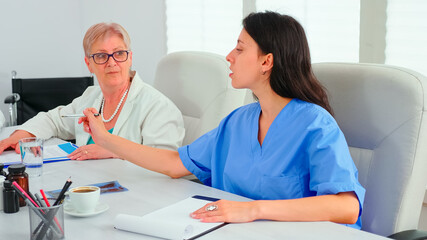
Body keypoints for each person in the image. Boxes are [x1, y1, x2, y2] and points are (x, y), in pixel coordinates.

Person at [80, 12, 365, 228]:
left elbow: (346, 207)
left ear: (267, 62)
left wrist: (254, 210)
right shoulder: (238, 122)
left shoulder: (314, 125)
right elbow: (173, 164)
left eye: (240, 49)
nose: (229, 57)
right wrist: (106, 139)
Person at [0, 22, 184, 160]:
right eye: (101, 56)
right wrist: (21, 135)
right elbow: (54, 120)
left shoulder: (158, 107)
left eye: (119, 53)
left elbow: (166, 161)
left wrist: (115, 151)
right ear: (89, 64)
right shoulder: (91, 96)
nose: (112, 62)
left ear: (130, 58)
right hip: (88, 187)